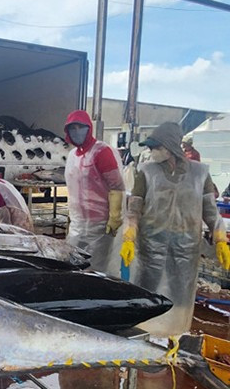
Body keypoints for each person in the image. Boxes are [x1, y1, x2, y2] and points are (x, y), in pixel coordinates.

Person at [121, 122, 229, 336]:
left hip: (185, 251)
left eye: (155, 147)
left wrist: (220, 240)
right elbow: (134, 210)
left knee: (180, 300)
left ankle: (174, 341)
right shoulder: (145, 171)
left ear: (169, 146)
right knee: (147, 297)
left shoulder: (200, 173)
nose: (151, 152)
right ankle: (144, 341)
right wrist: (129, 237)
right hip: (150, 249)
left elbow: (210, 212)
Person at [63, 110, 125, 277]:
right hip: (78, 223)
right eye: (72, 128)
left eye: (80, 127)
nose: (76, 131)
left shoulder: (101, 152)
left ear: (88, 128)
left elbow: (116, 186)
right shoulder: (72, 156)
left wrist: (114, 216)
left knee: (96, 269)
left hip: (100, 225)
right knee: (73, 265)